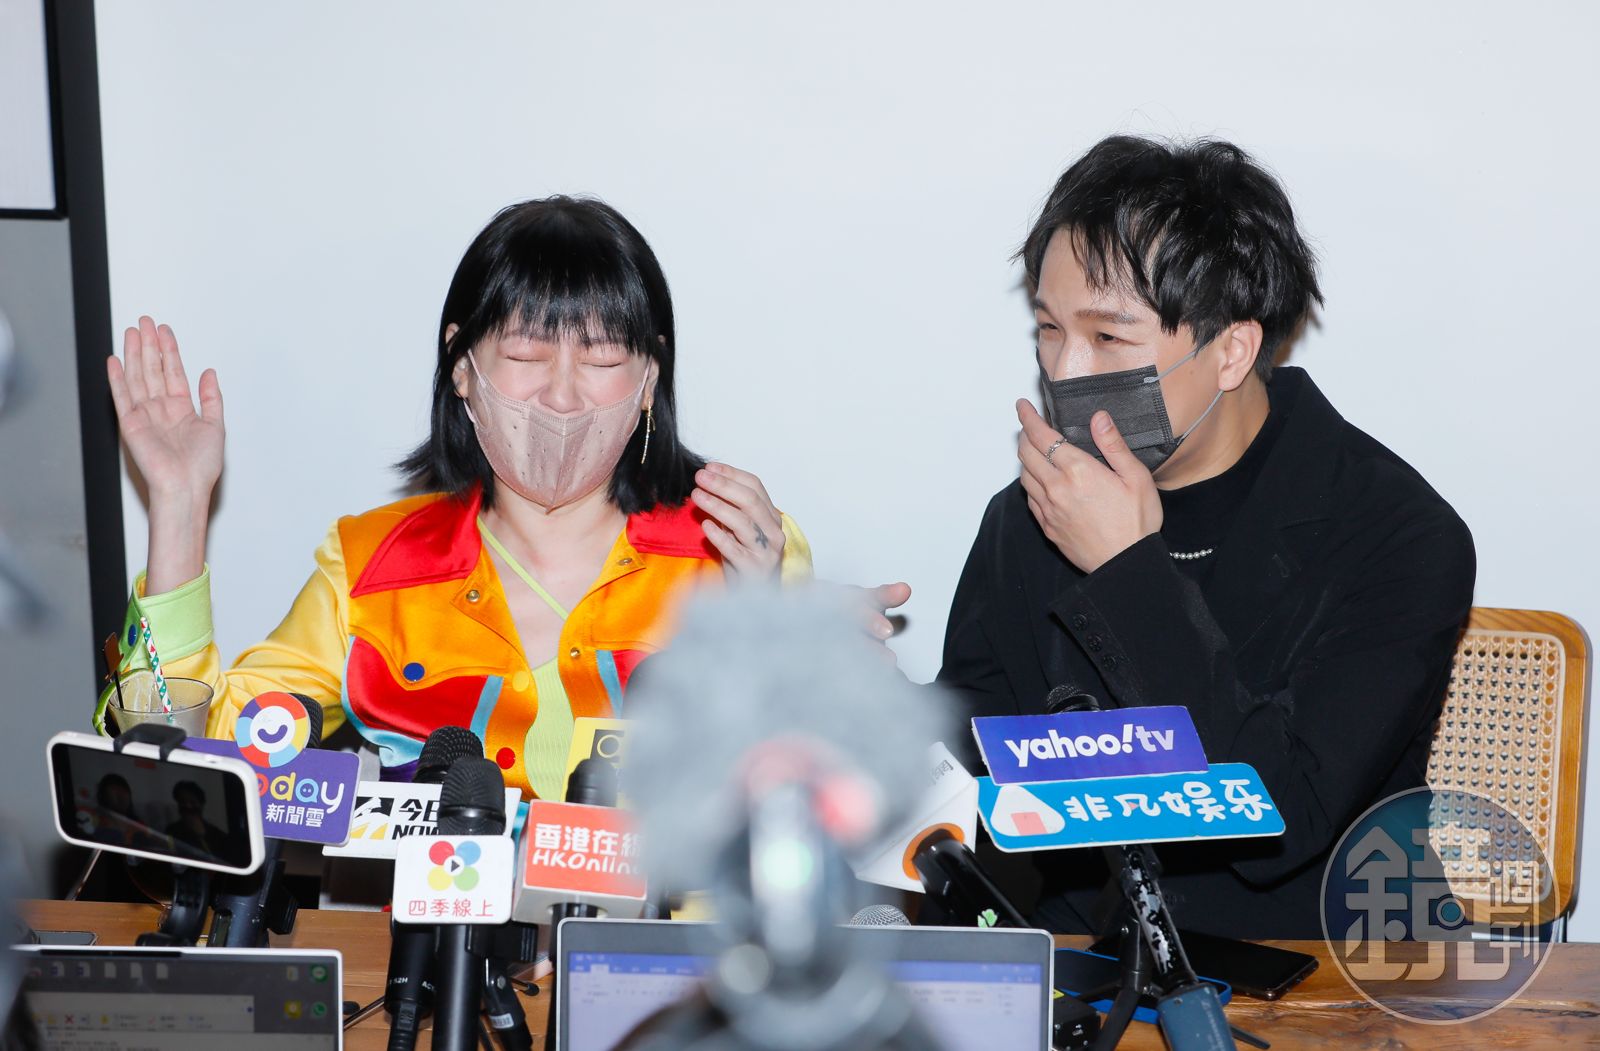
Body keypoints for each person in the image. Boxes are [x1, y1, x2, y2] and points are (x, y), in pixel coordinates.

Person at [935, 136, 1475, 938]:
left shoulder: (1397, 534)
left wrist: (1126, 572)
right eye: (1048, 329)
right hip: (1098, 958)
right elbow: (975, 762)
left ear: (1231, 351)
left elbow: (1277, 815)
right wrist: (847, 683)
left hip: (1330, 964)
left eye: (1108, 337)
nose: (1065, 372)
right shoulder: (1034, 513)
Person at [103, 196, 811, 801]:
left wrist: (769, 626)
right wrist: (178, 508)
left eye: (600, 358)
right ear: (462, 365)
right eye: (527, 355)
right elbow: (190, 767)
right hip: (442, 924)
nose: (563, 397)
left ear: (650, 377)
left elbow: (816, 788)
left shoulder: (737, 544)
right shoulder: (372, 567)